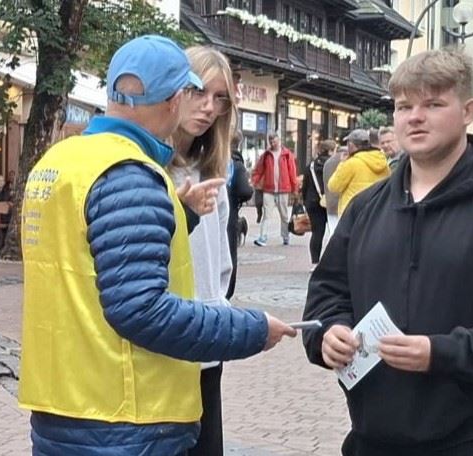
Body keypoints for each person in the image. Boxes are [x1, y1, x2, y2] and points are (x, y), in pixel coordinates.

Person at [18, 35, 296, 455]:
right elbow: (142, 309)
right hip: (127, 413)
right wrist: (252, 330)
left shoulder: (60, 161)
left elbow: (89, 261)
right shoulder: (130, 175)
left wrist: (179, 214)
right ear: (174, 100)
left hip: (62, 406)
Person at [302, 49, 473, 455]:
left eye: (433, 104)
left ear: (467, 111)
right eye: (403, 106)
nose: (415, 117)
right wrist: (328, 332)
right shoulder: (367, 207)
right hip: (375, 435)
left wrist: (440, 353)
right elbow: (328, 290)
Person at [167, 45, 251, 456]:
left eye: (220, 99)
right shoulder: (145, 166)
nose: (208, 108)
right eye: (199, 92)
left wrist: (217, 313)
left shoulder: (211, 170)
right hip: (159, 339)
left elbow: (220, 264)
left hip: (204, 337)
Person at [327, 129, 389, 217]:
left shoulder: (351, 163)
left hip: (353, 213)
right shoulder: (383, 162)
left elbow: (333, 186)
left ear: (351, 145)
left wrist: (342, 163)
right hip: (376, 212)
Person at [251, 132, 298, 246]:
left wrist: (294, 188)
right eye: (271, 142)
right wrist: (254, 181)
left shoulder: (287, 154)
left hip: (283, 189)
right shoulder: (266, 155)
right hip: (269, 189)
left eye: (274, 141)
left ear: (279, 140)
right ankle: (263, 237)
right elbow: (259, 170)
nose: (273, 144)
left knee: (284, 215)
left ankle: (285, 236)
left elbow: (292, 172)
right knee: (267, 214)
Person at [226, 129, 253, 299]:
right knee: (229, 252)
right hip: (230, 214)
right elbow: (245, 191)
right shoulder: (237, 164)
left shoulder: (216, 160)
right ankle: (226, 292)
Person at [302, 139, 335, 271]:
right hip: (331, 202)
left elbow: (305, 186)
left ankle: (315, 262)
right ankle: (333, 261)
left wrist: (305, 202)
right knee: (334, 232)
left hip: (313, 202)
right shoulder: (334, 165)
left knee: (317, 233)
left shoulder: (311, 166)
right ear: (331, 151)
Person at [322, 146, 346, 233]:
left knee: (333, 231)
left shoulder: (327, 163)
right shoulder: (348, 162)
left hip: (330, 203)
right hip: (343, 204)